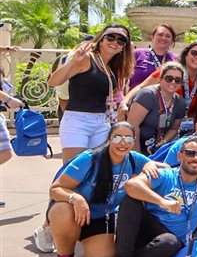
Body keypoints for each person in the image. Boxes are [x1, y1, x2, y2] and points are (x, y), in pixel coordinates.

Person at [46, 122, 165, 257]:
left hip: (100, 217)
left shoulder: (133, 159)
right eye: (117, 138)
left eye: (128, 139)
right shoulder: (89, 159)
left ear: (133, 141)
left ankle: (77, 238)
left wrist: (151, 163)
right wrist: (76, 198)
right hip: (74, 210)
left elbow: (164, 167)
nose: (123, 143)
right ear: (109, 139)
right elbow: (55, 189)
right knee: (62, 212)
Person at [47, 24, 134, 164]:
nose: (114, 43)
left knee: (96, 169)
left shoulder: (109, 68)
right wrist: (73, 61)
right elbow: (53, 82)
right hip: (77, 121)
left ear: (123, 47)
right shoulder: (86, 58)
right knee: (73, 169)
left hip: (101, 122)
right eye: (110, 37)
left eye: (120, 41)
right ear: (101, 40)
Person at [125, 62, 187, 154]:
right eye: (169, 78)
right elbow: (132, 126)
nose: (173, 82)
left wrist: (164, 142)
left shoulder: (180, 102)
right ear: (160, 78)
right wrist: (136, 154)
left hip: (156, 148)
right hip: (134, 145)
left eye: (177, 80)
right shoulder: (147, 95)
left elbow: (174, 128)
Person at [130, 24, 178, 88]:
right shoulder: (137, 54)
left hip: (163, 97)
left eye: (168, 36)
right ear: (152, 37)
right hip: (136, 96)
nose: (163, 38)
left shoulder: (177, 59)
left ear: (172, 41)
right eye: (160, 34)